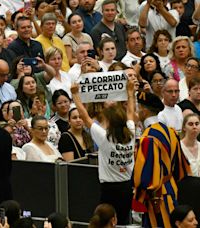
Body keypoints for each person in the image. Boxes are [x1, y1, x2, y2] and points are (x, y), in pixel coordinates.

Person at [70, 76, 136, 225]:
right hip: (126, 186)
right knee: (123, 221)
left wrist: (75, 95)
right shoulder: (131, 133)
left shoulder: (105, 138)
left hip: (109, 188)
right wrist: (130, 92)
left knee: (105, 223)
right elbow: (131, 112)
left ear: (110, 122)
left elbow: (85, 117)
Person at [133, 91, 192, 228]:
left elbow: (144, 174)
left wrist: (138, 200)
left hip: (156, 196)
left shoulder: (148, 137)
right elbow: (180, 165)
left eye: (138, 108)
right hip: (172, 189)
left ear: (144, 110)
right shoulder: (171, 132)